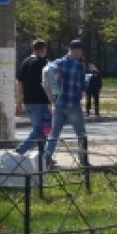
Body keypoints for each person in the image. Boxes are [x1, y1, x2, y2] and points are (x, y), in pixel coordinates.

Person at [43, 39, 88, 168]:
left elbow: (47, 81)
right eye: (80, 51)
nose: (81, 53)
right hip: (72, 104)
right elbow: (81, 86)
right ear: (76, 50)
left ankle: (45, 159)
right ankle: (83, 161)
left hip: (57, 105)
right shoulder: (78, 66)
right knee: (81, 134)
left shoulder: (56, 63)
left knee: (54, 134)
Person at [15, 39, 51, 155]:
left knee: (43, 130)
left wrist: (19, 102)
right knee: (39, 130)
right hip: (40, 101)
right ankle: (20, 150)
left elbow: (20, 83)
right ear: (43, 49)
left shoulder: (25, 62)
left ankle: (44, 155)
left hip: (28, 101)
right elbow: (47, 83)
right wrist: (52, 99)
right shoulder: (43, 63)